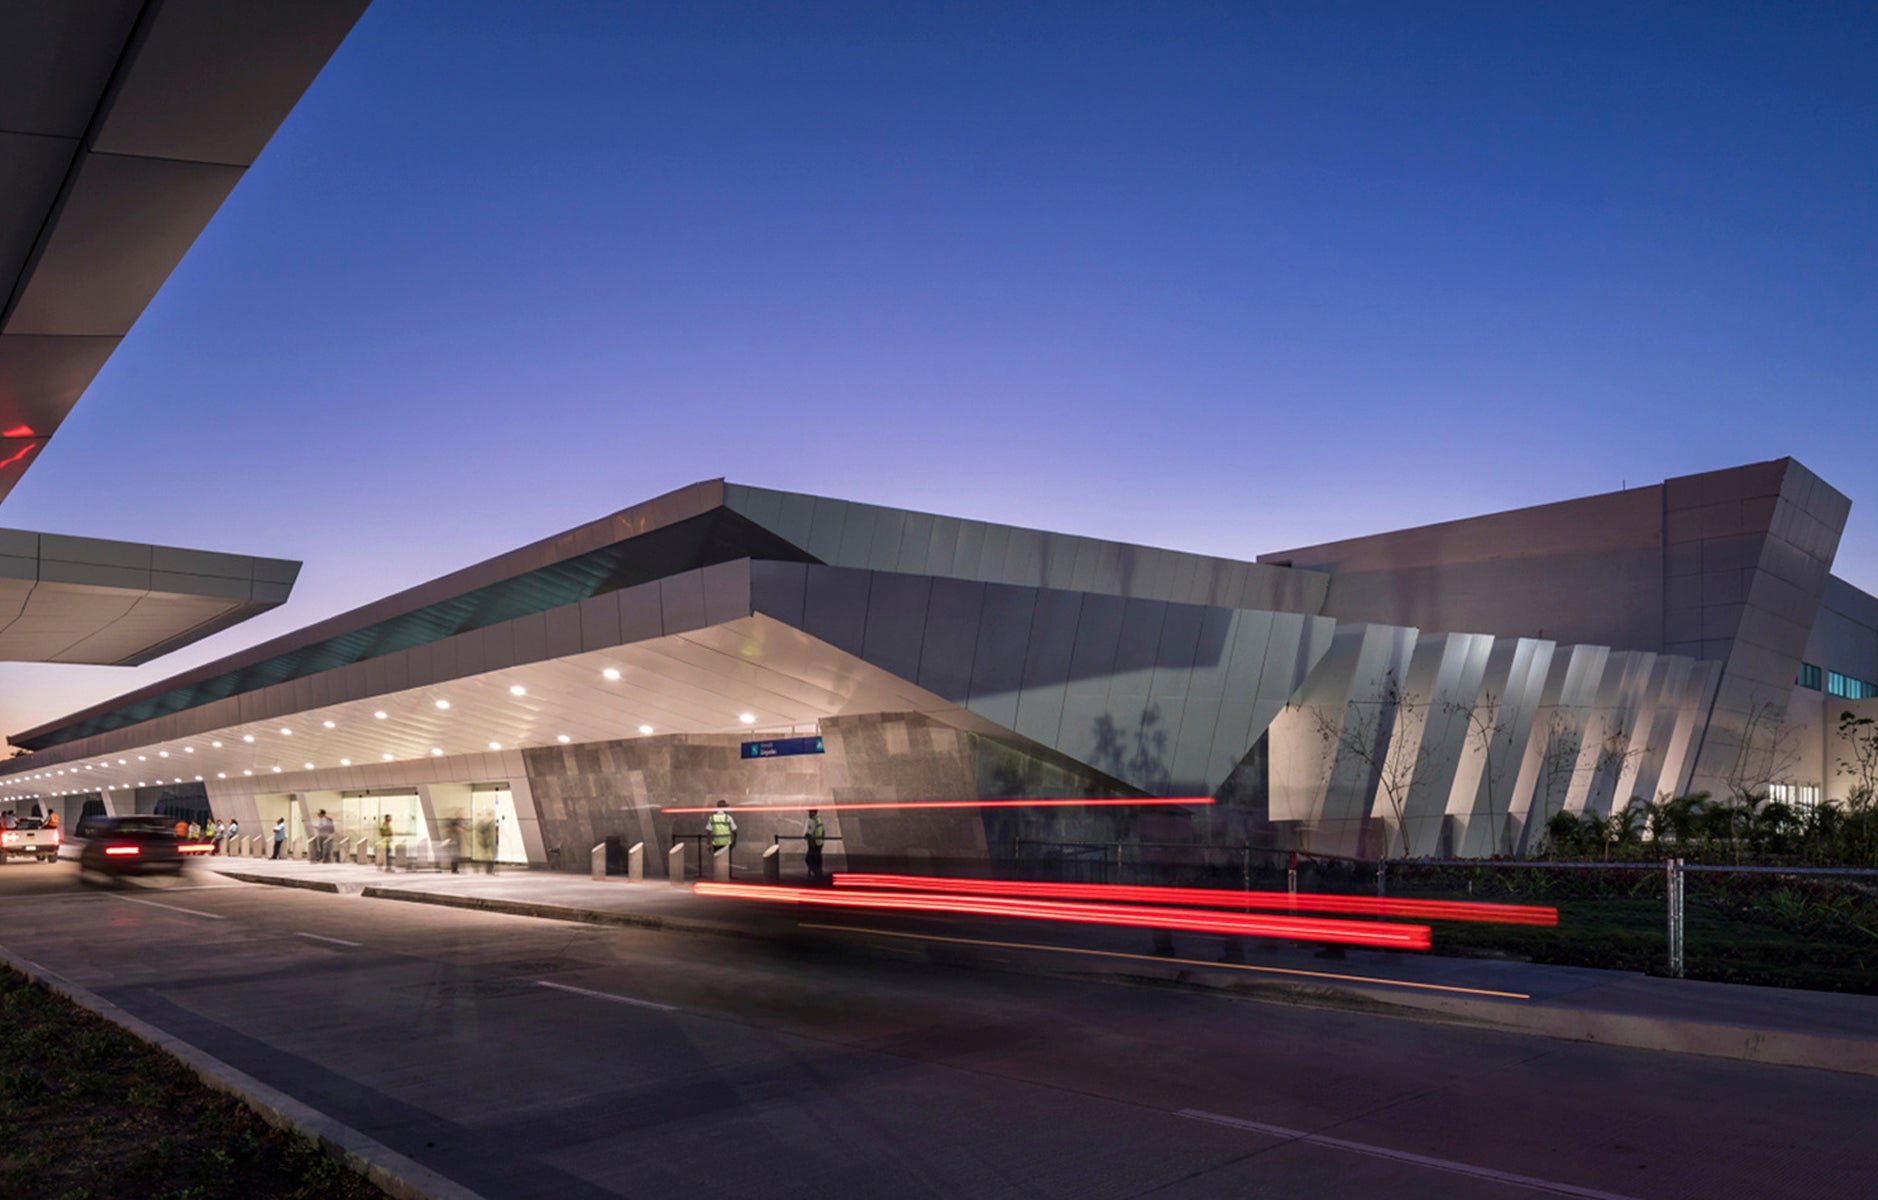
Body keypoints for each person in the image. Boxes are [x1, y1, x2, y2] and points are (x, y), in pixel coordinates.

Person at [707, 800, 737, 871]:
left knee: (717, 864)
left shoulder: (712, 818)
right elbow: (735, 830)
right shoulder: (728, 818)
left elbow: (708, 831)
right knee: (726, 865)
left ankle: (718, 877)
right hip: (726, 844)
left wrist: (708, 844)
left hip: (716, 844)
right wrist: (734, 841)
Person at [803, 808, 826, 881]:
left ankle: (814, 872)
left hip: (813, 843)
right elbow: (823, 831)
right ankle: (818, 873)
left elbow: (810, 832)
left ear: (814, 813)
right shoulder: (819, 819)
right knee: (817, 858)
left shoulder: (812, 820)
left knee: (809, 858)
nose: (809, 814)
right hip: (819, 842)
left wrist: (806, 836)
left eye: (810, 812)